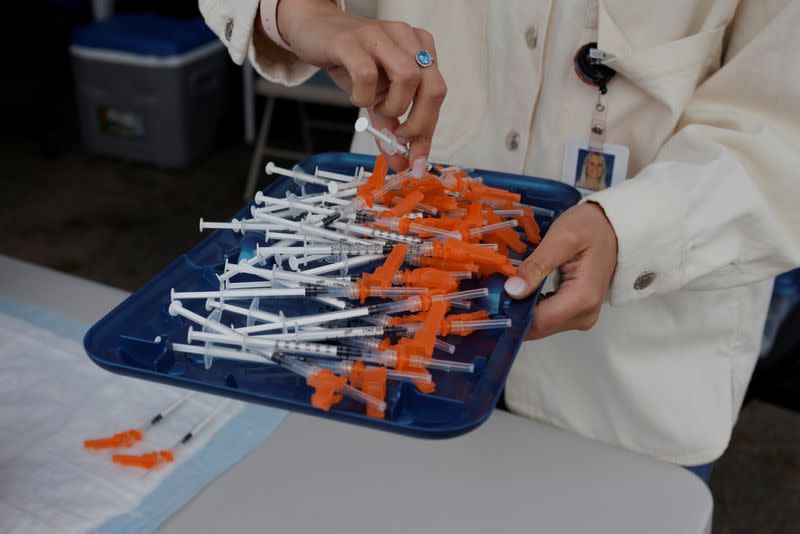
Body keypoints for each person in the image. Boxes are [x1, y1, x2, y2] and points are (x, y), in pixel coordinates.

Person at [199, 0, 800, 478]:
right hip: (381, 311)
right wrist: (299, 12)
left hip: (631, 371)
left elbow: (783, 131)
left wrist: (637, 229)